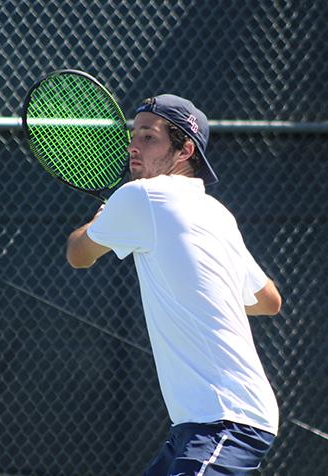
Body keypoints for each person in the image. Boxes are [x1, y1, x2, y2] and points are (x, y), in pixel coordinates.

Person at [66, 94, 282, 475]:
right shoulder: (217, 213)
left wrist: (97, 221)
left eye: (149, 137)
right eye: (134, 135)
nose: (133, 145)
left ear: (184, 150)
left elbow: (78, 254)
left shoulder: (139, 196)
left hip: (226, 419)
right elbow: (269, 300)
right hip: (204, 423)